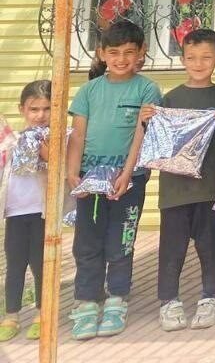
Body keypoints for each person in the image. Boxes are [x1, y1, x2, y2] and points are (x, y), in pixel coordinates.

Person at [131, 29, 215, 332]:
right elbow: (158, 144)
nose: (198, 63)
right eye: (192, 57)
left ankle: (210, 297)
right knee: (171, 248)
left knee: (210, 245)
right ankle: (169, 301)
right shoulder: (170, 99)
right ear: (182, 59)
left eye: (206, 57)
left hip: (210, 188)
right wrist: (147, 121)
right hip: (174, 189)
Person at [65, 20, 162, 341]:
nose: (121, 59)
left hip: (128, 179)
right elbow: (78, 135)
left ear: (141, 53)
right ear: (102, 53)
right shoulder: (89, 91)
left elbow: (141, 135)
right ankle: (86, 302)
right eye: (115, 52)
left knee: (121, 240)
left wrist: (127, 173)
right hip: (90, 177)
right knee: (87, 242)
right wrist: (72, 172)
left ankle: (117, 300)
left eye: (129, 52)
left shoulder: (147, 89)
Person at [1, 80, 51, 343]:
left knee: (41, 264)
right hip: (15, 212)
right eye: (34, 109)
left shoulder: (56, 138)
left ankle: (43, 314)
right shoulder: (12, 140)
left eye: (46, 109)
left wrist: (41, 143)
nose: (40, 115)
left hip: (41, 212)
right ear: (22, 109)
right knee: (15, 264)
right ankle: (11, 315)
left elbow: (55, 162)